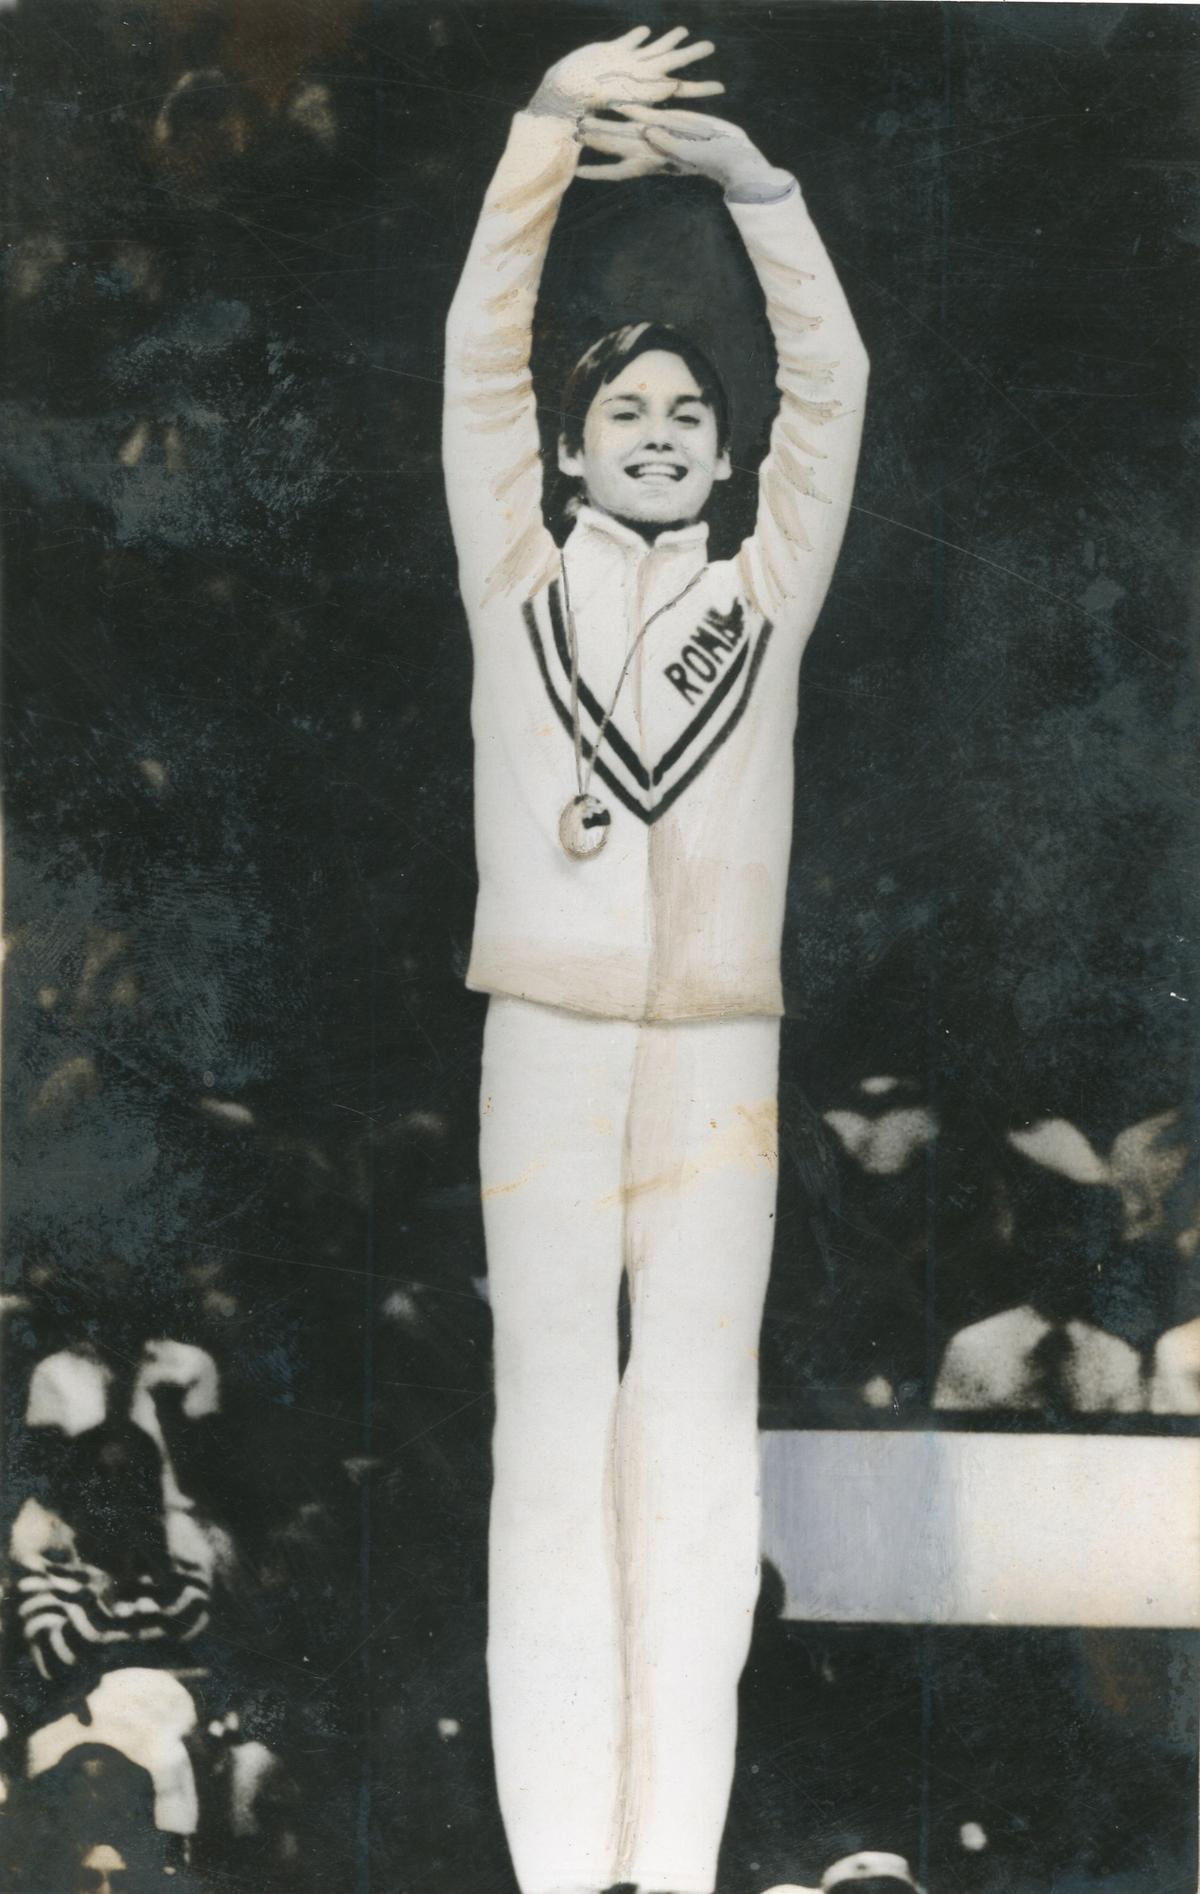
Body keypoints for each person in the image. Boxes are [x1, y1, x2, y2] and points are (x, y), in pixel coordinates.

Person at [443, 25, 868, 1894]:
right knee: (550, 1431)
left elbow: (837, 384)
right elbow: (473, 352)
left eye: (694, 417)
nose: (666, 432)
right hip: (542, 1030)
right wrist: (543, 132)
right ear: (567, 447)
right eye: (629, 416)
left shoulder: (760, 594)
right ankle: (561, 1869)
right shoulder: (514, 577)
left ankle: (671, 1866)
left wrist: (753, 190)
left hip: (714, 1052)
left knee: (692, 1444)